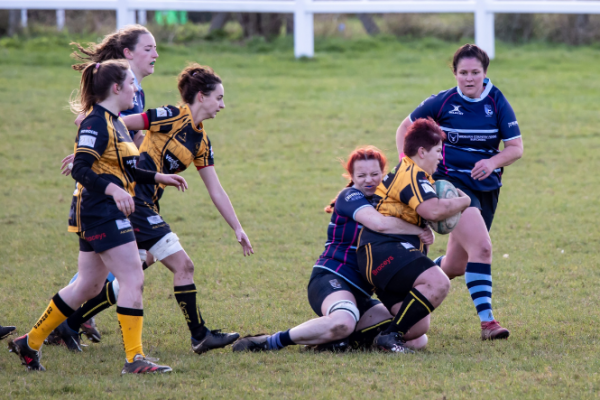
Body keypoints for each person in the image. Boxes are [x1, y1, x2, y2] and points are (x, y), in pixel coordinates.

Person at [50, 64, 253, 356]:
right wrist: (87, 150)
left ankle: (70, 323)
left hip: (145, 204)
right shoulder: (170, 115)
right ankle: (200, 336)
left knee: (134, 270)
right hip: (133, 201)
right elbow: (116, 123)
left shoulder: (201, 140)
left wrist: (237, 227)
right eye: (218, 98)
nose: (222, 105)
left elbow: (215, 189)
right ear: (201, 96)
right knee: (183, 266)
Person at [8, 60, 188, 373]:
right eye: (131, 82)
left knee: (87, 287)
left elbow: (127, 167)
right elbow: (80, 168)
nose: (136, 88)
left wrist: (160, 178)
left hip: (100, 210)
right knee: (133, 277)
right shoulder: (95, 123)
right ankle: (134, 360)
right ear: (116, 87)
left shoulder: (115, 121)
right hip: (100, 210)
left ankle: (30, 342)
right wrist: (114, 192)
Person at [232, 146, 432, 353]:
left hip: (362, 293)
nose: (369, 180)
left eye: (374, 174)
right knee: (343, 321)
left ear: (383, 174)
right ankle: (270, 341)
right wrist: (418, 230)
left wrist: (427, 229)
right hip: (332, 277)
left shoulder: (388, 204)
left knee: (416, 337)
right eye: (361, 175)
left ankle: (335, 343)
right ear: (351, 176)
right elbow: (379, 224)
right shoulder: (349, 196)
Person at [395, 44, 523, 340]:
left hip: (487, 188)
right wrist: (411, 168)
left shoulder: (497, 102)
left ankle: (409, 284)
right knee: (483, 248)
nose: (469, 78)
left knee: (457, 264)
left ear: (484, 73)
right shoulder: (443, 101)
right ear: (455, 73)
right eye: (463, 73)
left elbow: (516, 148)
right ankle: (488, 323)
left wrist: (492, 162)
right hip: (452, 187)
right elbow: (405, 128)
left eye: (475, 72)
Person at [57, 25, 159, 343]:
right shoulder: (125, 89)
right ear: (128, 54)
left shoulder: (133, 89)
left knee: (110, 266)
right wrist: (85, 156)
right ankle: (75, 320)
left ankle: (68, 321)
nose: (155, 54)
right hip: (108, 192)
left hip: (126, 184)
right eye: (148, 49)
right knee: (131, 261)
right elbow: (94, 123)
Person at [357, 118, 471, 353]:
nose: (440, 157)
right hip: (383, 251)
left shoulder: (417, 175)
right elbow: (433, 210)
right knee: (438, 282)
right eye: (438, 151)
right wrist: (464, 201)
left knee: (417, 325)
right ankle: (390, 336)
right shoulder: (411, 174)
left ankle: (345, 339)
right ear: (422, 151)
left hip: (379, 257)